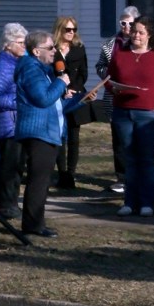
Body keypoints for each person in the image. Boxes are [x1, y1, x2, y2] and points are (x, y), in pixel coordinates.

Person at [14, 31, 85, 238]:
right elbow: (43, 99)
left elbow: (55, 104)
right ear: (36, 51)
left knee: (42, 180)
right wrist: (61, 82)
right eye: (50, 48)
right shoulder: (31, 70)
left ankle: (35, 222)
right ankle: (33, 224)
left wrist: (79, 100)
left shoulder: (42, 70)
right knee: (39, 180)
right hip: (38, 132)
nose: (55, 51)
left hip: (47, 130)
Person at [107, 16, 154, 217]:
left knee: (146, 159)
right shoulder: (120, 54)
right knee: (129, 159)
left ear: (150, 35)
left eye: (141, 32)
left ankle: (147, 203)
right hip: (123, 112)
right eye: (134, 31)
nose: (136, 35)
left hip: (149, 115)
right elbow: (109, 80)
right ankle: (129, 202)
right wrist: (114, 89)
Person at [0, 23, 28, 219]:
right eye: (20, 43)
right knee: (9, 167)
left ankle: (12, 204)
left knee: (17, 166)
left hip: (17, 124)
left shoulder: (17, 63)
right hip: (7, 125)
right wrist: (19, 101)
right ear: (8, 45)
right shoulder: (2, 66)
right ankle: (6, 206)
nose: (24, 46)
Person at [95, 6, 140, 193]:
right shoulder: (110, 44)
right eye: (123, 23)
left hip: (137, 98)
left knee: (137, 140)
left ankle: (138, 177)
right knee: (119, 140)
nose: (127, 27)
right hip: (113, 97)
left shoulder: (142, 42)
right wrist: (109, 78)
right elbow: (100, 65)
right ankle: (121, 178)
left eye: (130, 23)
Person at [52, 16, 90, 190]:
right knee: (60, 136)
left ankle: (71, 174)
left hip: (75, 95)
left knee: (74, 136)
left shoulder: (79, 49)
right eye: (68, 29)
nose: (71, 32)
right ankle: (61, 173)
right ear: (60, 30)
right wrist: (62, 90)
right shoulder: (52, 50)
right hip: (58, 96)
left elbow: (84, 73)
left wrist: (74, 89)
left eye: (74, 29)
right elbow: (49, 72)